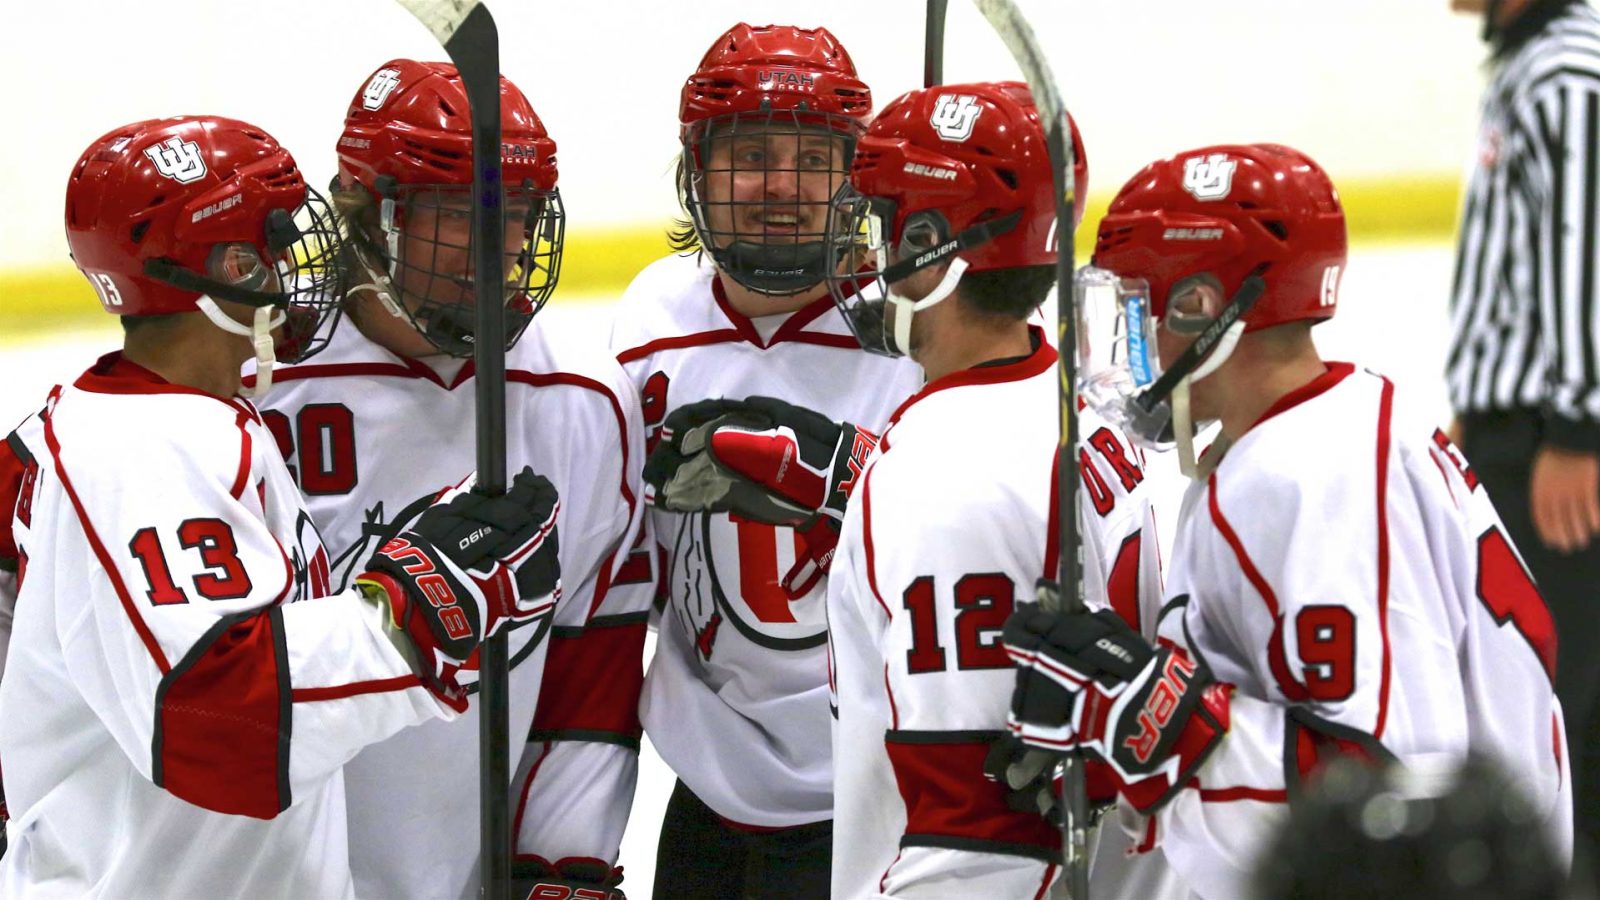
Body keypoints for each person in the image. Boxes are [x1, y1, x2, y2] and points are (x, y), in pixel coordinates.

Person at [995, 143, 1574, 900]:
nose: (1122, 351)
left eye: (1136, 309)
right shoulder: (1314, 432)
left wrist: (1160, 720)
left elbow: (1400, 792)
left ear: (1203, 308)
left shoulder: (1312, 478)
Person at [0, 115, 560, 898]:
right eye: (276, 244)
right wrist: (411, 609)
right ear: (228, 265)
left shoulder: (177, 416)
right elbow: (217, 724)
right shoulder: (145, 453)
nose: (302, 264)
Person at [644, 80, 1177, 897]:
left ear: (930, 247)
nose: (859, 249)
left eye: (880, 220)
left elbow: (974, 839)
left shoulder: (946, 477)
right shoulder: (1076, 406)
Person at [255, 60, 647, 899]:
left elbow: (593, 650)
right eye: (452, 215)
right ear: (362, 214)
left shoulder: (584, 399)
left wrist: (562, 859)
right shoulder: (259, 389)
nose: (496, 248)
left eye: (517, 216)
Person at [607, 23, 923, 897]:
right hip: (708, 796)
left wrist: (852, 472)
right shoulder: (651, 320)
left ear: (857, 174)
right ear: (696, 169)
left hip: (883, 792)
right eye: (749, 154)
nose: (780, 187)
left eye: (812, 158)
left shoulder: (919, 327)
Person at [1446, 0, 1600, 877]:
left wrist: (1579, 430)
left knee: (1552, 698)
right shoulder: (1533, 60)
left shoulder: (1566, 70)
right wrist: (1475, 405)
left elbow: (1587, 250)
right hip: (1524, 427)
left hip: (1555, 444)